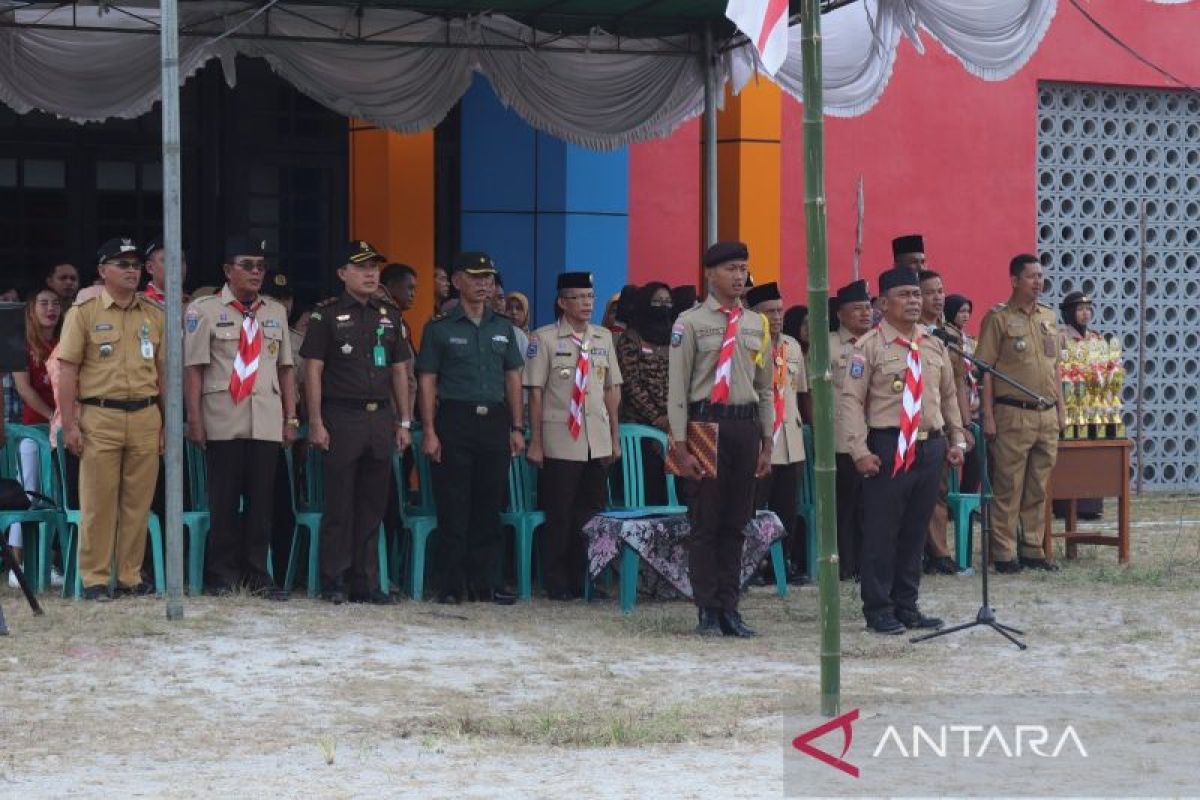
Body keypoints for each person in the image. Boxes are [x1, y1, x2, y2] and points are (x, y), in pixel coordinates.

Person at [840, 267, 966, 635]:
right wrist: (859, 451)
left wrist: (956, 439)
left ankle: (906, 604)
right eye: (906, 295)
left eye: (917, 294)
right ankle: (878, 608)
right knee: (882, 531)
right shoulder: (869, 347)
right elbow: (850, 402)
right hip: (889, 444)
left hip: (930, 445)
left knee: (915, 530)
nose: (915, 301)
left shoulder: (934, 343)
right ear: (883, 303)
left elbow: (946, 397)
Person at [668, 241, 773, 638]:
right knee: (705, 522)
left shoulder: (754, 324)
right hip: (705, 424)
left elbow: (764, 388)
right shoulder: (690, 323)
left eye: (743, 268)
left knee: (736, 522)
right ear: (710, 273)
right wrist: (680, 445)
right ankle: (707, 609)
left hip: (744, 427)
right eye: (730, 268)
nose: (739, 276)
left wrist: (767, 442)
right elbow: (677, 388)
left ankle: (731, 606)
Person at [184, 236, 296, 599]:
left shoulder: (274, 312)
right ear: (227, 270)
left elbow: (286, 369)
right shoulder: (203, 310)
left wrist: (291, 417)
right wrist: (195, 419)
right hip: (223, 416)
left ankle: (258, 575)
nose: (255, 273)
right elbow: (194, 369)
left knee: (262, 503)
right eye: (247, 265)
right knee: (225, 501)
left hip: (265, 416)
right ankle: (221, 574)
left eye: (261, 267)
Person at [300, 242, 412, 604]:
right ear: (342, 274)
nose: (370, 274)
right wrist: (315, 421)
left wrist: (404, 421)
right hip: (341, 415)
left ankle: (366, 582)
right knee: (340, 504)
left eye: (374, 268)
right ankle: (335, 579)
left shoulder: (389, 315)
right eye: (361, 267)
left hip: (380, 416)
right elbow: (312, 371)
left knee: (373, 505)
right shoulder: (326, 316)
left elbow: (399, 371)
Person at [57, 238, 165, 601]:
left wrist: (165, 421)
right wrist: (70, 423)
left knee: (138, 502)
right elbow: (68, 371)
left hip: (145, 414)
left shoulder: (152, 313)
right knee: (99, 501)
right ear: (103, 272)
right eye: (122, 264)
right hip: (100, 414)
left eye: (135, 264)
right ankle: (96, 578)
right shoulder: (84, 313)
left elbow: (163, 372)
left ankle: (129, 575)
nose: (132, 270)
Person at [416, 252, 524, 605]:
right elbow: (428, 381)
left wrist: (516, 426)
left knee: (489, 503)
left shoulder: (503, 327)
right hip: (455, 419)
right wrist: (430, 430)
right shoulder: (440, 327)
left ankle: (487, 582)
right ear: (458, 281)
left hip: (494, 419)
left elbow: (513, 378)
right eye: (475, 277)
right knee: (454, 504)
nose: (483, 284)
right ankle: (450, 584)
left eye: (488, 278)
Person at [524, 272, 622, 600]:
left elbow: (611, 390)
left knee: (591, 512)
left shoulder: (603, 338)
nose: (586, 304)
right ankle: (556, 580)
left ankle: (586, 578)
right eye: (578, 298)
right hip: (561, 437)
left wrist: (614, 437)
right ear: (562, 302)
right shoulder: (545, 338)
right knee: (561, 512)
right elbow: (535, 393)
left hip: (596, 436)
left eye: (590, 298)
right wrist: (535, 441)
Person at [974, 254, 1064, 574]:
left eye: (1041, 276)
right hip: (1013, 412)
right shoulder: (998, 318)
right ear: (1014, 280)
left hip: (1046, 413)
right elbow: (984, 369)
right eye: (1031, 276)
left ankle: (1033, 548)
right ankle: (1004, 552)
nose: (1038, 282)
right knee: (1009, 484)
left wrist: (1061, 410)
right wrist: (987, 414)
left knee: (1038, 485)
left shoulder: (1049, 317)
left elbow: (1055, 369)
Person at [747, 282, 808, 584]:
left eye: (780, 310)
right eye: (769, 311)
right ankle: (754, 565)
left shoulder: (793, 347)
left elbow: (803, 394)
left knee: (787, 505)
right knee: (755, 506)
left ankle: (782, 564)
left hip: (790, 439)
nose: (777, 317)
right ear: (754, 314)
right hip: (760, 437)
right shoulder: (748, 344)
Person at [916, 269, 972, 575]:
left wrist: (961, 427)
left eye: (941, 291)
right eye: (930, 292)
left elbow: (957, 385)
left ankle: (938, 553)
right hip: (909, 426)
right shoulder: (907, 333)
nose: (937, 297)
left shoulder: (948, 335)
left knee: (938, 490)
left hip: (939, 422)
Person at [7, 288, 63, 588]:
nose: (51, 309)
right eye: (44, 303)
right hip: (33, 430)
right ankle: (17, 561)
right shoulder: (21, 344)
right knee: (27, 491)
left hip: (61, 430)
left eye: (56, 304)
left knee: (57, 495)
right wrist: (54, 417)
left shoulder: (62, 342)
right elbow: (25, 391)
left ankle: (48, 561)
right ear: (31, 309)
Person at [616, 282, 673, 506]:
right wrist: (656, 417)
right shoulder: (631, 338)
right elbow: (630, 383)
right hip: (640, 426)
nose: (663, 306)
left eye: (668, 302)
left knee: (673, 491)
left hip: (671, 426)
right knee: (647, 489)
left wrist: (672, 417)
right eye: (657, 302)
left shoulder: (675, 338)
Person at [831, 280, 872, 580]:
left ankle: (868, 563)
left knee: (871, 506)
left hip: (875, 436)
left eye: (868, 307)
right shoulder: (829, 345)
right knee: (845, 506)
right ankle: (847, 565)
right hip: (841, 438)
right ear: (840, 314)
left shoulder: (877, 343)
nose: (865, 313)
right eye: (857, 308)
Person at [1053, 291, 1103, 520]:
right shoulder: (1062, 336)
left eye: (1088, 309)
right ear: (1069, 312)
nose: (1085, 314)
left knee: (1092, 452)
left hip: (1092, 403)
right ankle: (1065, 505)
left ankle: (1090, 505)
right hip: (1069, 401)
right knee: (1069, 453)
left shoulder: (1096, 338)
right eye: (1080, 309)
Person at [944, 293, 981, 492]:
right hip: (958, 406)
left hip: (971, 403)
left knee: (975, 460)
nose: (966, 316)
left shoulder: (966, 338)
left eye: (968, 311)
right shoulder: (948, 336)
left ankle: (966, 498)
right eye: (961, 311)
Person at [142, 238, 188, 303]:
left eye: (181, 260)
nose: (177, 266)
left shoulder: (194, 303)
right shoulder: (139, 303)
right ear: (150, 267)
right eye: (168, 261)